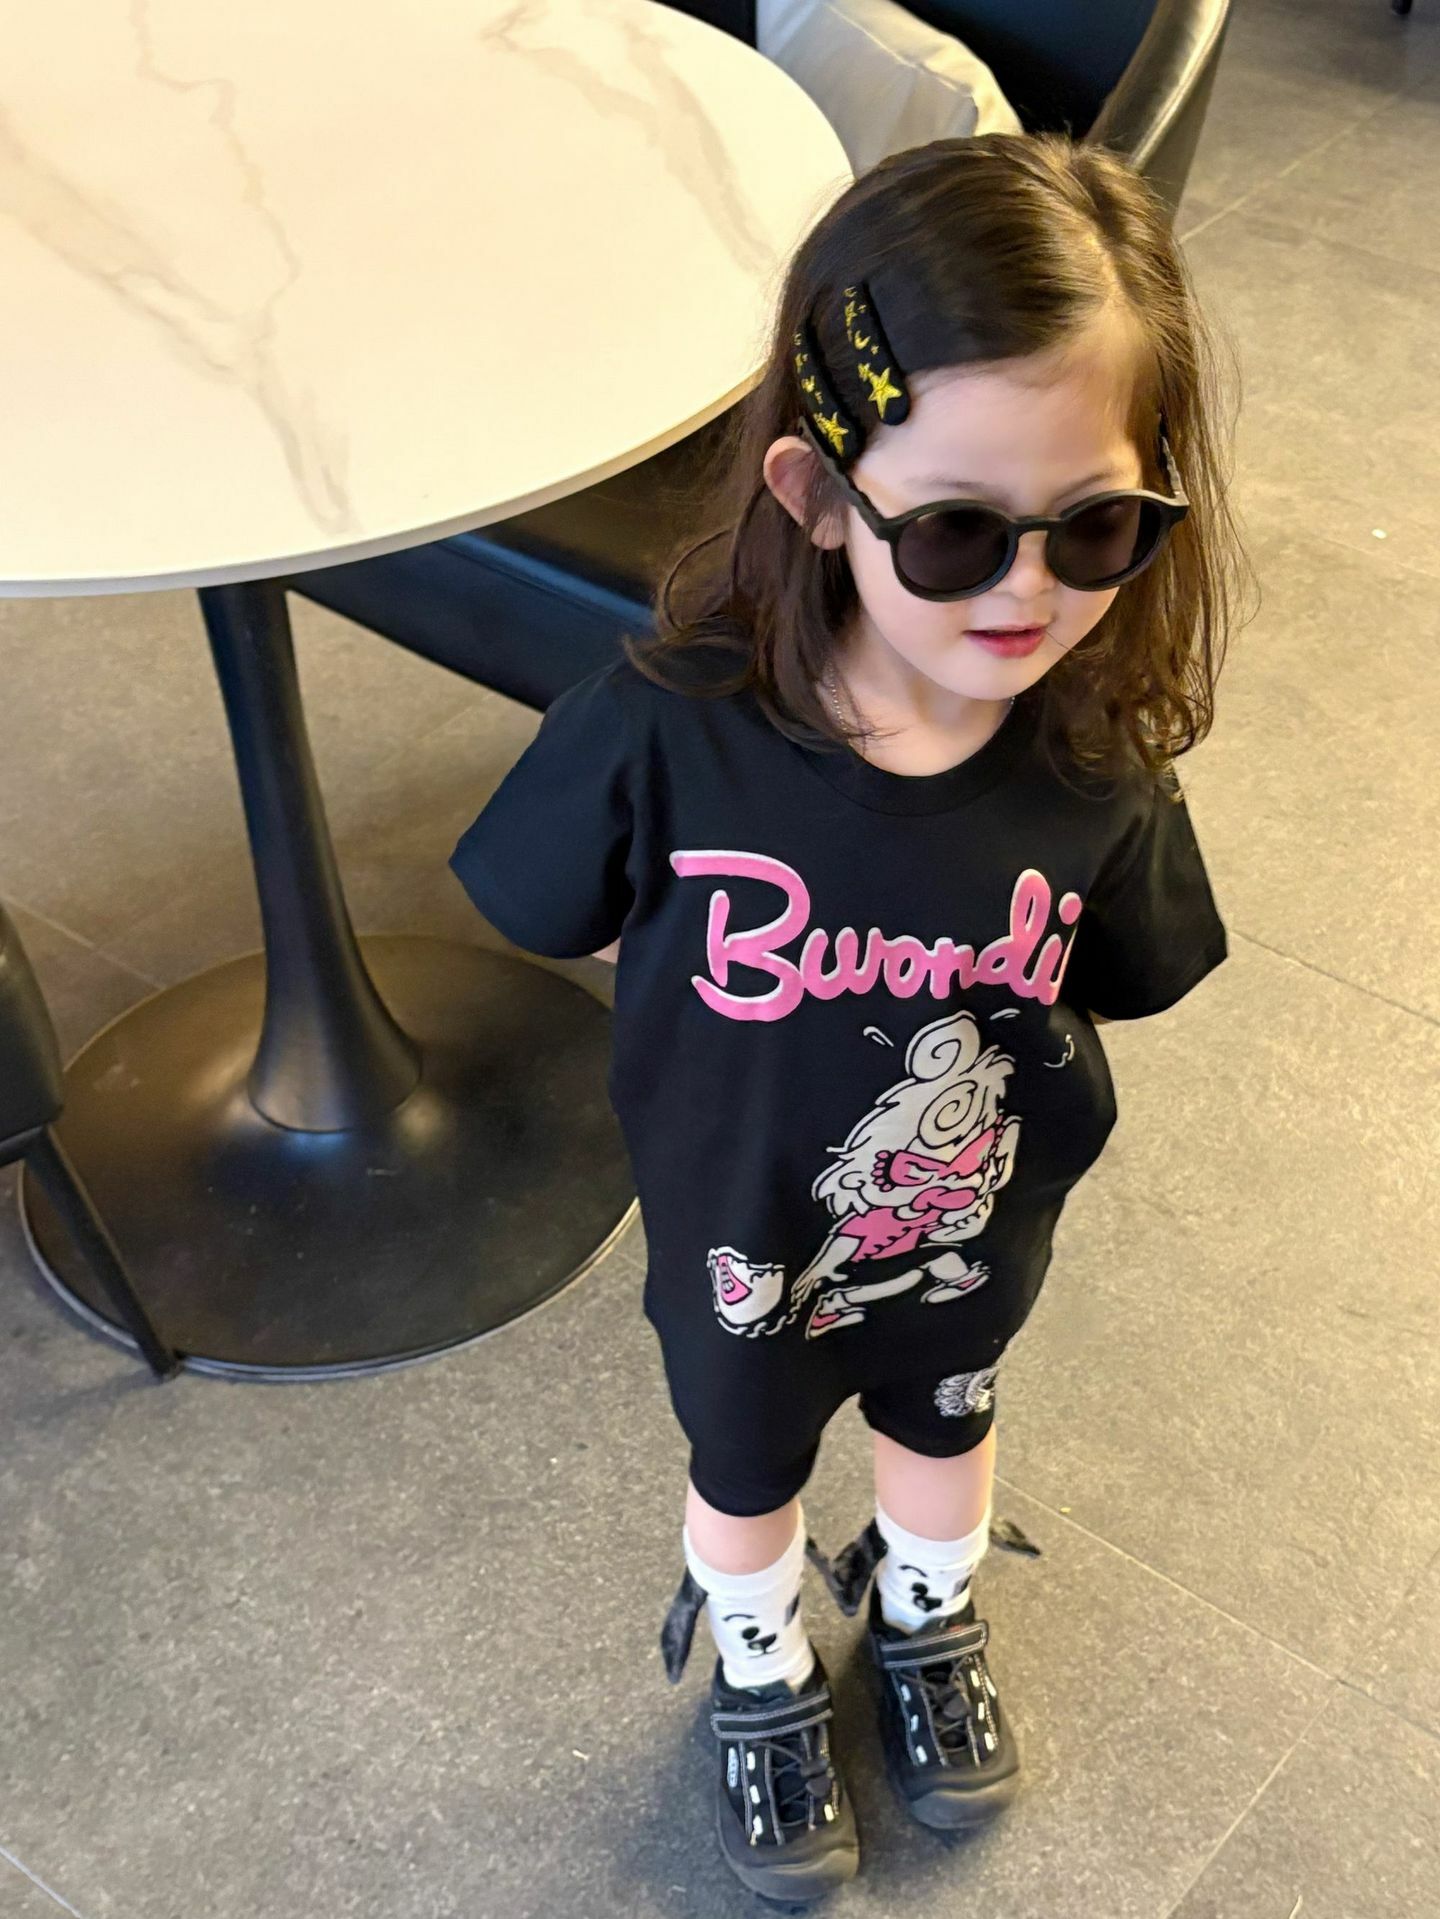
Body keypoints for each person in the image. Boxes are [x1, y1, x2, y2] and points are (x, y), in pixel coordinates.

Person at [449, 132, 1247, 1904]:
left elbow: (1127, 971)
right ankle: (758, 1664)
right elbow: (530, 899)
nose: (1027, 590)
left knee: (944, 1429)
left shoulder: (1098, 767)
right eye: (955, 532)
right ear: (819, 496)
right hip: (743, 1247)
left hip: (971, 1232)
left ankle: (925, 1610)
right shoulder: (662, 734)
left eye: (1095, 527)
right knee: (743, 1466)